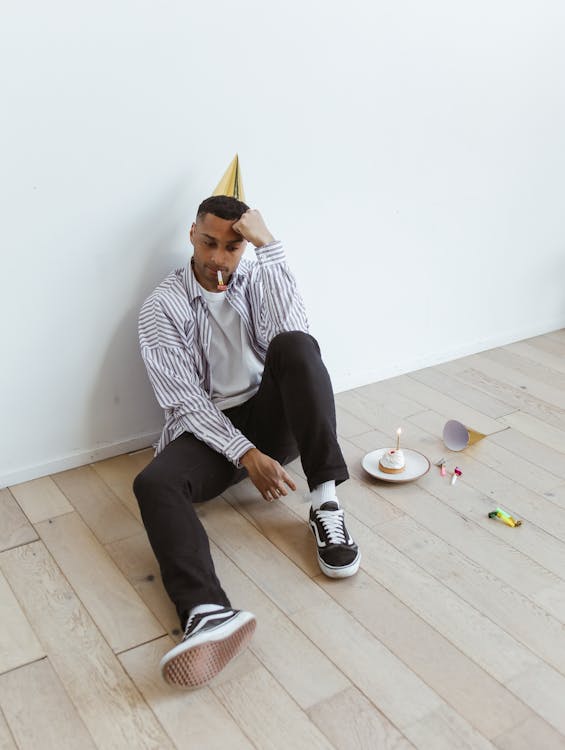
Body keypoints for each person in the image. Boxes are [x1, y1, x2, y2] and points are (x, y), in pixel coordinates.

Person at [133, 194, 360, 689]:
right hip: (211, 429)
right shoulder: (160, 308)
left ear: (245, 247)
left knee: (297, 345)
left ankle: (326, 503)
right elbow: (185, 403)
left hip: (271, 417)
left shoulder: (254, 278)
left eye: (232, 247)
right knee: (153, 484)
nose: (218, 258)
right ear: (192, 235)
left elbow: (297, 341)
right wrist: (245, 453)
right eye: (209, 243)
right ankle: (206, 612)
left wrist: (270, 247)